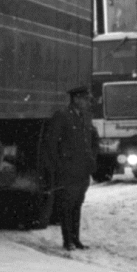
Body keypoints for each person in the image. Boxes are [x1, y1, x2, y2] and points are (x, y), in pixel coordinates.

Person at [42, 85, 99, 250]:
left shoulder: (84, 118)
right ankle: (68, 240)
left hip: (82, 169)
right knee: (66, 205)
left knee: (77, 205)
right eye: (86, 99)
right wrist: (58, 166)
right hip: (68, 169)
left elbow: (93, 140)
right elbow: (51, 144)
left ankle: (76, 239)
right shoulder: (62, 116)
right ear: (76, 99)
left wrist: (91, 158)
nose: (89, 102)